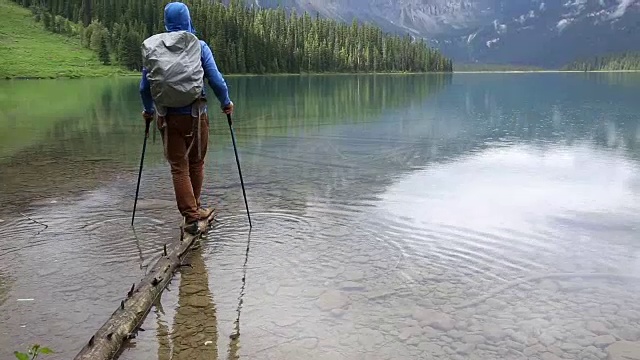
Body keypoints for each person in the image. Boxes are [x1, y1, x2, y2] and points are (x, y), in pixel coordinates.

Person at [139, 1, 234, 235]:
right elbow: (216, 80)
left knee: (178, 168)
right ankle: (195, 209)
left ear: (166, 22)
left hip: (167, 119)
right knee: (196, 162)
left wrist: (148, 110)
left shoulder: (155, 48)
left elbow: (144, 88)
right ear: (188, 20)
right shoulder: (198, 46)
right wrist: (226, 103)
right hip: (195, 116)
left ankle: (190, 215)